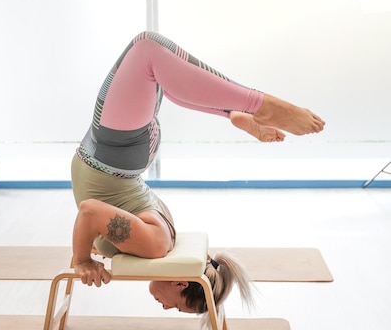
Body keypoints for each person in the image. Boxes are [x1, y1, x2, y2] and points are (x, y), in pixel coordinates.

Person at [71, 31, 325, 315]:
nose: (166, 308)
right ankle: (259, 105)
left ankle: (232, 112)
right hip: (113, 151)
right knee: (148, 50)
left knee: (159, 73)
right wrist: (81, 260)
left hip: (125, 155)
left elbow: (107, 213)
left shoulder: (164, 235)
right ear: (181, 283)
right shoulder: (153, 245)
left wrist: (99, 244)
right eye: (179, 307)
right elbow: (90, 211)